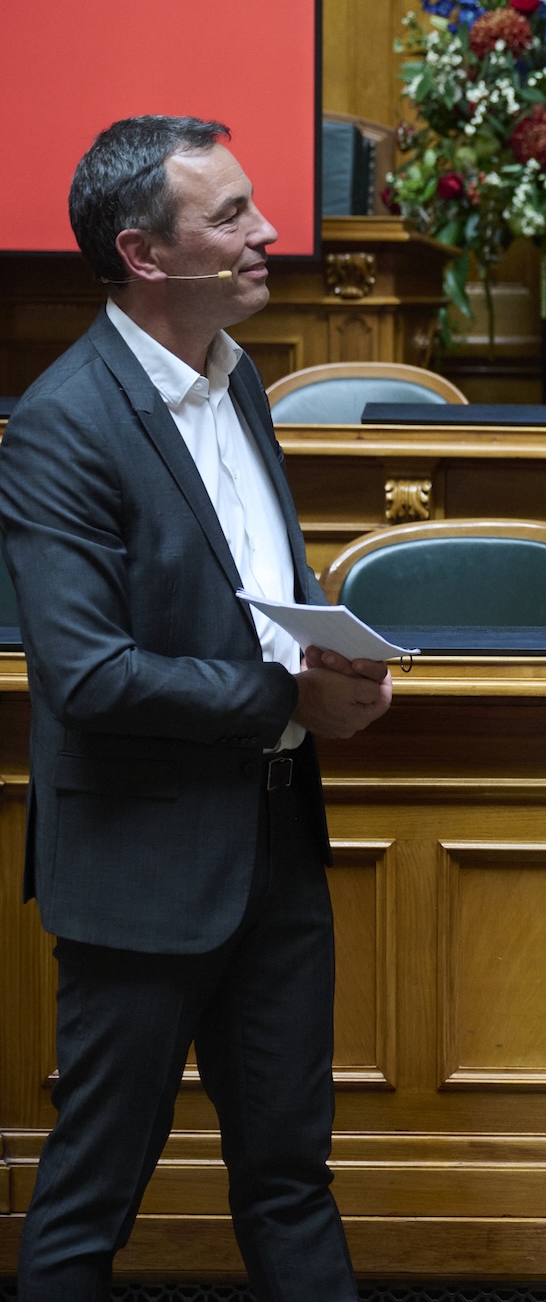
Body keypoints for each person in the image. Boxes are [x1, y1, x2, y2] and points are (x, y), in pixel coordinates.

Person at [0, 116, 393, 1302]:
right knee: (89, 1200)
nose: (267, 232)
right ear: (144, 253)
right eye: (229, 217)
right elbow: (88, 674)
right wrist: (286, 693)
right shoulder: (63, 424)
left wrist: (340, 654)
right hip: (138, 868)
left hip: (274, 845)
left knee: (289, 1178)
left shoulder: (241, 376)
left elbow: (261, 586)